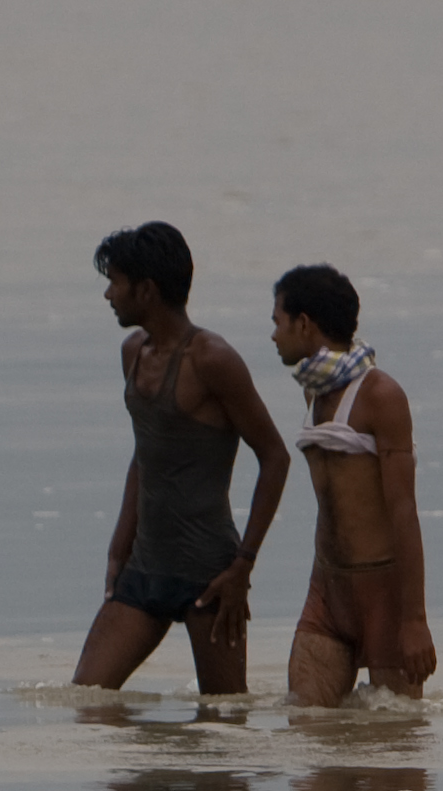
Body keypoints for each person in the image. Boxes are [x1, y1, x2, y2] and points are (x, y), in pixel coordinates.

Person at [72, 223, 292, 697]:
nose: (109, 294)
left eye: (116, 282)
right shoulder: (133, 352)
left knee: (224, 722)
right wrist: (118, 548)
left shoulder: (213, 360)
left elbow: (274, 456)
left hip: (209, 575)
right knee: (88, 704)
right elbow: (144, 454)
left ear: (146, 290)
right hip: (144, 566)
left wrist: (242, 567)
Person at [269, 263, 437, 705]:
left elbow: (404, 509)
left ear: (304, 324)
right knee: (307, 737)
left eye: (277, 322)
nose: (273, 335)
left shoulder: (381, 395)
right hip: (327, 592)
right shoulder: (313, 392)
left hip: (383, 594)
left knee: (394, 758)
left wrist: (414, 619)